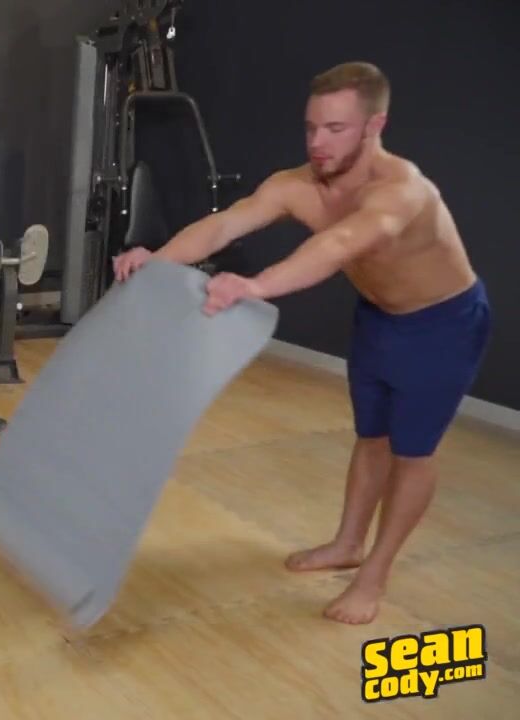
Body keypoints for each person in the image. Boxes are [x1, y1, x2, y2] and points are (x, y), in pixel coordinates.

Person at [112, 61, 491, 625]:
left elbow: (339, 244)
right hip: (379, 319)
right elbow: (224, 224)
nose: (318, 142)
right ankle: (348, 543)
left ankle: (374, 575)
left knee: (413, 453)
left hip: (443, 324)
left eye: (335, 129)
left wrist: (256, 286)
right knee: (372, 437)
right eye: (312, 127)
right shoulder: (296, 185)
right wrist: (157, 260)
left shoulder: (402, 192)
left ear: (374, 126)